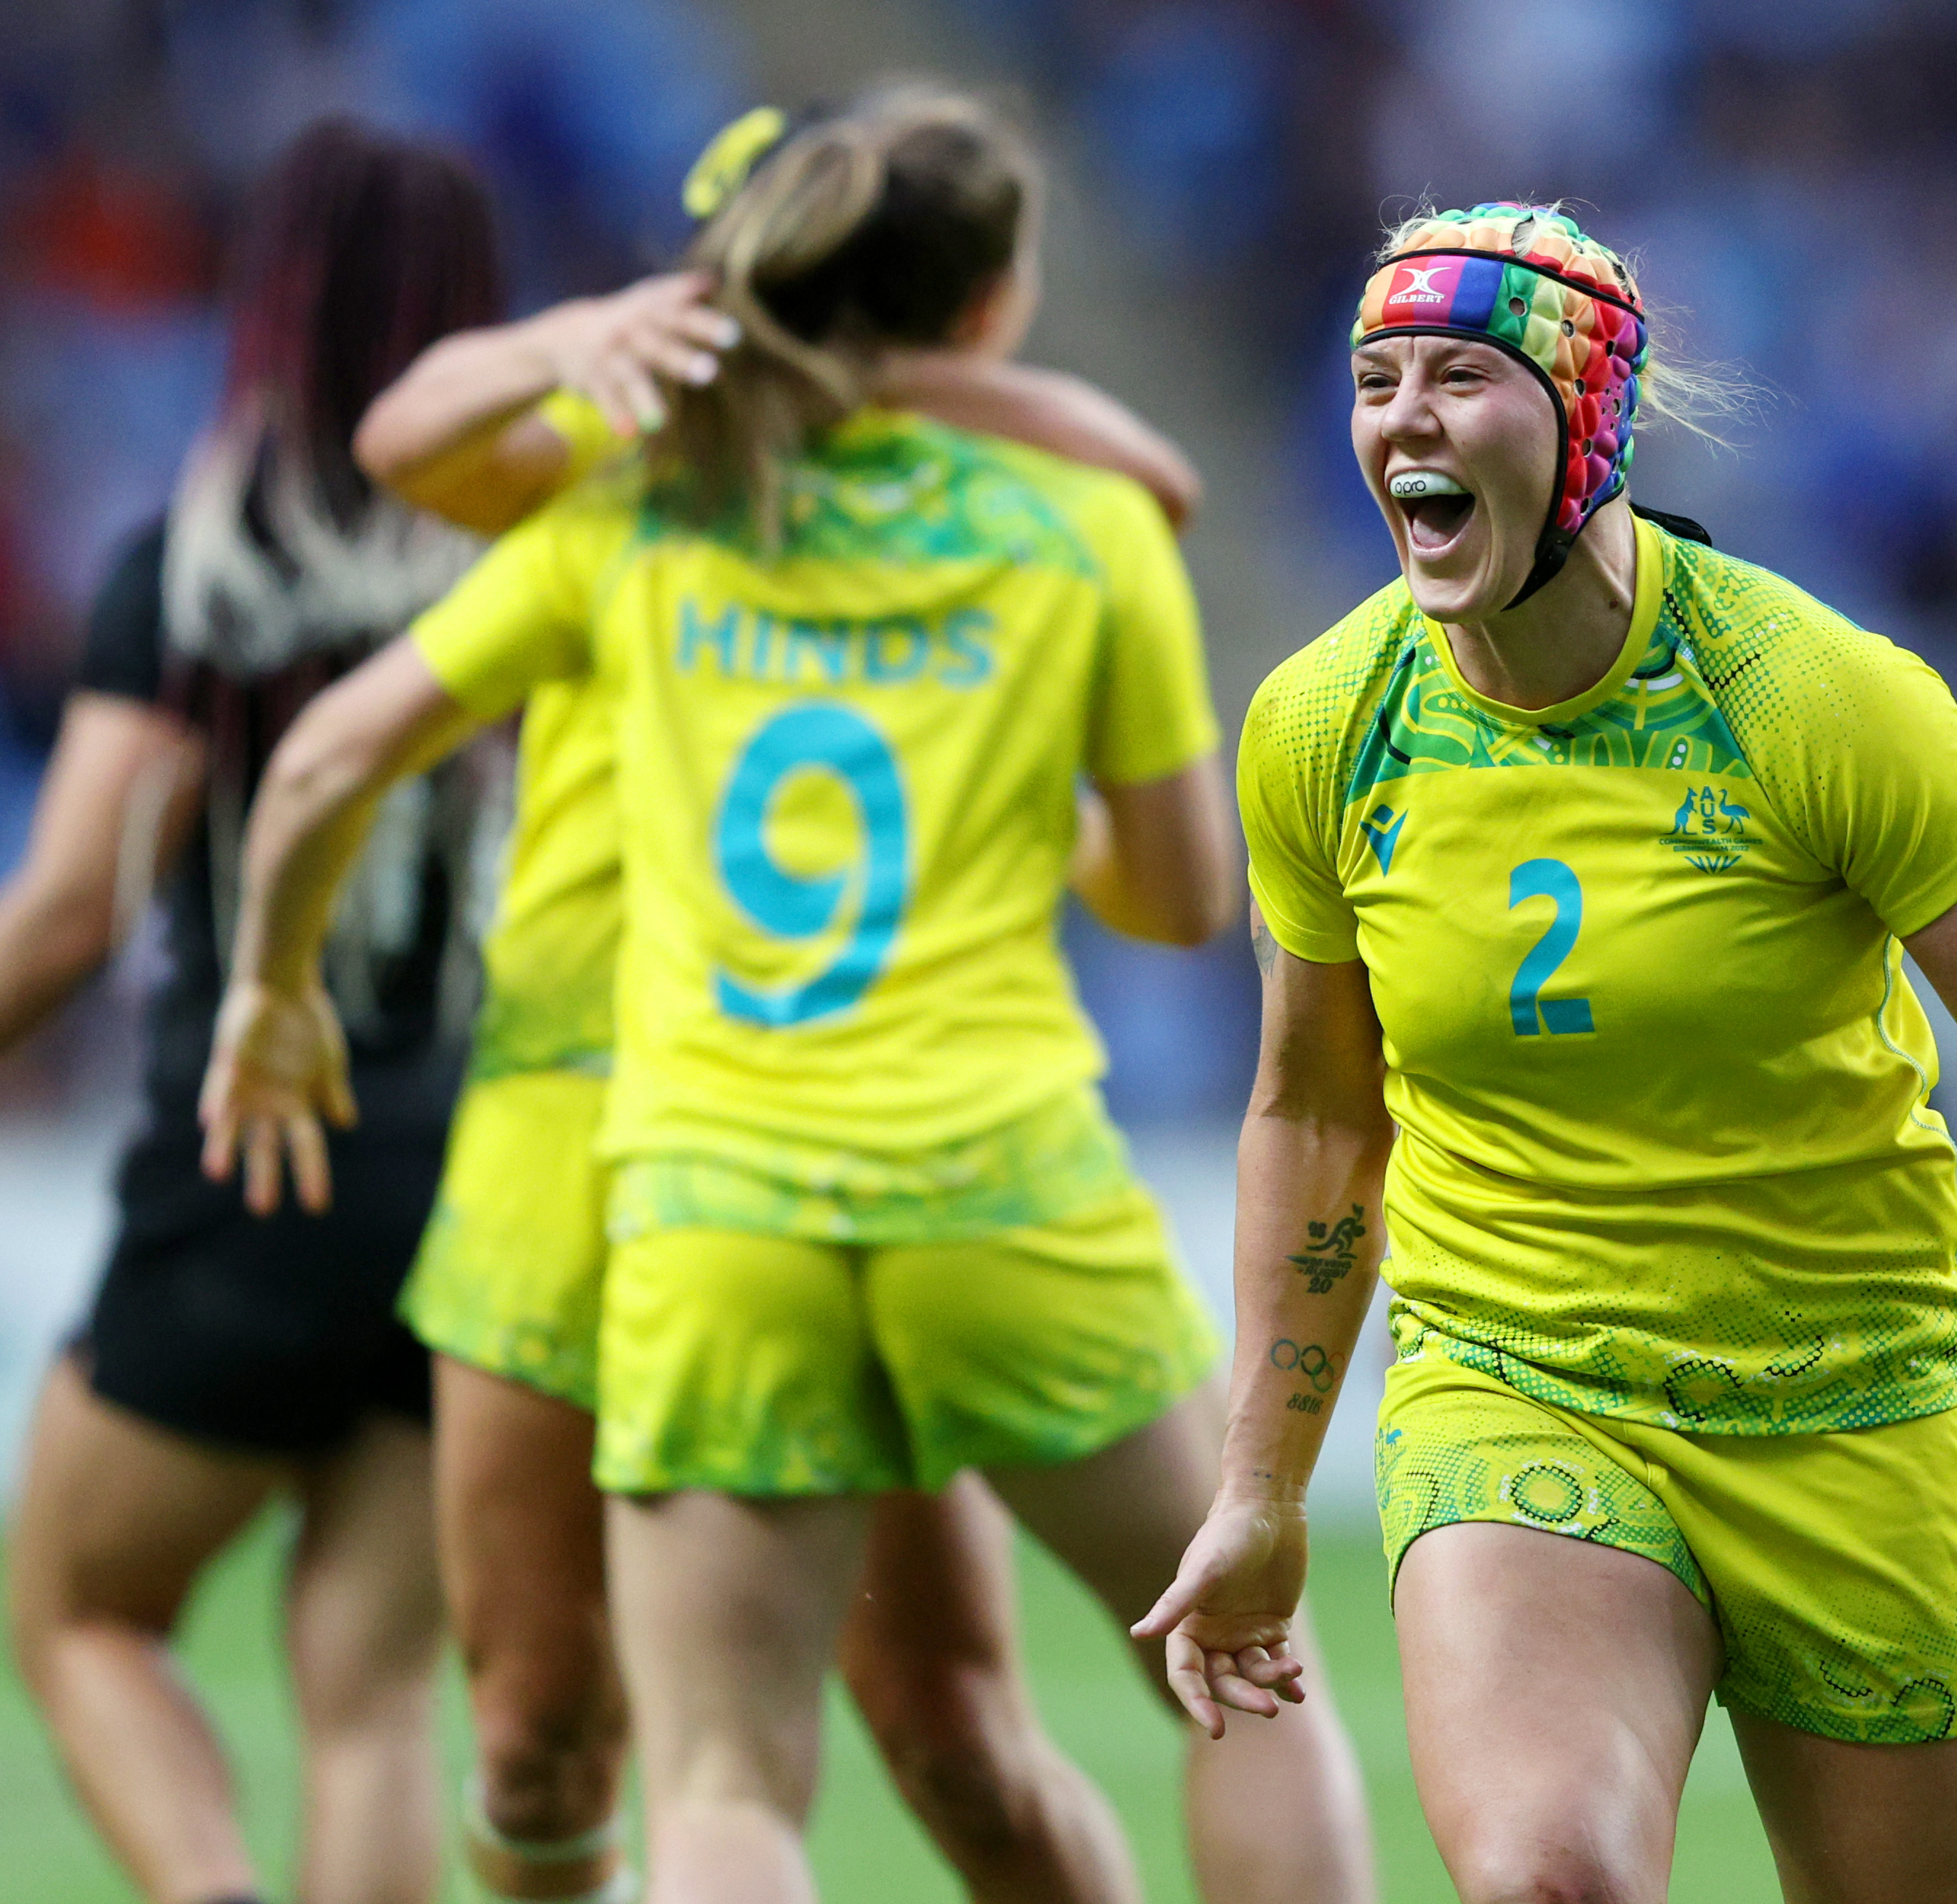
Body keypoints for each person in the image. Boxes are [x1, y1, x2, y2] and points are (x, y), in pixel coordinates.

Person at [1133, 202, 1957, 1904]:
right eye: (1375, 380)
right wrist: (1260, 1487)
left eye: (1459, 375)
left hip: (1857, 1398)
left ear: (1589, 424)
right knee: (1545, 1881)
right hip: (1522, 1374)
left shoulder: (1818, 698)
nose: (1406, 419)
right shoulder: (1320, 724)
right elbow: (1315, 1115)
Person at [202, 87, 1379, 1904]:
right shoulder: (1078, 525)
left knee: (730, 1786)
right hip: (990, 1181)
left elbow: (323, 744)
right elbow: (1176, 896)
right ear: (990, 301)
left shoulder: (651, 512)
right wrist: (1030, 808)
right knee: (1247, 1688)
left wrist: (268, 990)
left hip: (710, 1188)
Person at [0, 121, 531, 1904]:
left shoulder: (202, 571)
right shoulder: (539, 556)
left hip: (259, 1152)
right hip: (489, 1158)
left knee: (81, 1614)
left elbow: (71, 910)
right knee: (369, 1693)